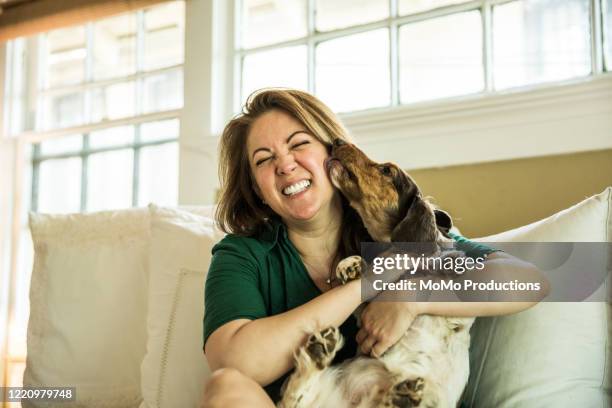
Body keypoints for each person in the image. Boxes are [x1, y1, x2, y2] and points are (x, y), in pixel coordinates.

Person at [200, 88, 547, 408]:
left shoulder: (395, 230)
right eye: (263, 159)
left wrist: (411, 298)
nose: (285, 164)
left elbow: (532, 282)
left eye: (299, 143)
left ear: (331, 153)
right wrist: (367, 285)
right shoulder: (243, 254)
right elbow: (235, 361)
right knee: (226, 387)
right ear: (257, 188)